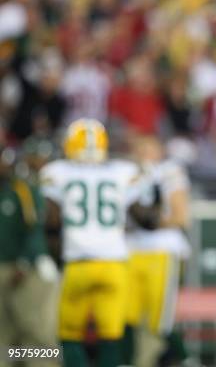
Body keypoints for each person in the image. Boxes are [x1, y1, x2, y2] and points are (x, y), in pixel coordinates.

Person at [39, 119, 145, 367]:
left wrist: (53, 259)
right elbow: (141, 215)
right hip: (114, 264)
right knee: (111, 334)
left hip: (77, 263)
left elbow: (51, 223)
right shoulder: (123, 171)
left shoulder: (57, 172)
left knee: (69, 333)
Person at [123, 135, 191, 367]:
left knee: (159, 316)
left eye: (148, 146)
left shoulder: (169, 171)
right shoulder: (127, 173)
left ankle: (181, 359)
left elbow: (181, 217)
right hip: (130, 250)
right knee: (128, 314)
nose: (143, 152)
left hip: (162, 250)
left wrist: (150, 221)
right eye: (139, 147)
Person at [0, 144, 58, 367]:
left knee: (37, 333)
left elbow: (35, 228)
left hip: (27, 269)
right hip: (3, 266)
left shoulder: (22, 189)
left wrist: (25, 262)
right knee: (6, 335)